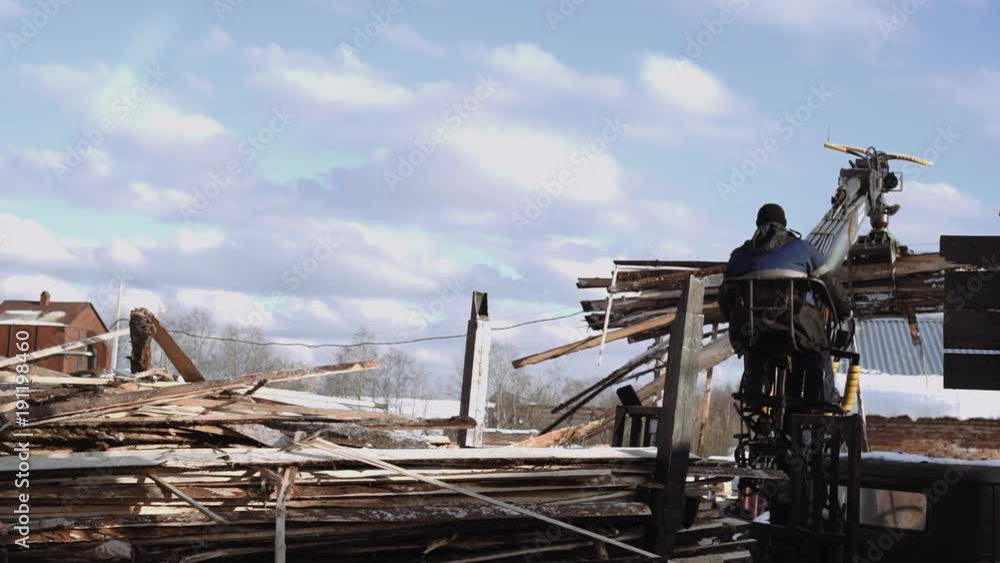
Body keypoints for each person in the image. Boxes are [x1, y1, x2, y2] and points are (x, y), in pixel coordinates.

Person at [720, 203, 851, 406]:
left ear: (757, 224)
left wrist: (736, 320)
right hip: (797, 329)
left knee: (756, 349)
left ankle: (756, 394)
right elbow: (829, 286)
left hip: (754, 330)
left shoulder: (739, 256)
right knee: (819, 348)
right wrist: (844, 311)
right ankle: (820, 398)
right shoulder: (802, 249)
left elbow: (725, 297)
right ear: (785, 225)